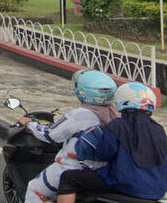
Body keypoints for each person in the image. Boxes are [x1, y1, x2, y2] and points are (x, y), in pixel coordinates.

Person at [18, 69, 119, 203]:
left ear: (83, 92)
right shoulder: (116, 113)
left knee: (34, 189)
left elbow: (51, 134)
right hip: (103, 170)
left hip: (75, 166)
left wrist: (30, 124)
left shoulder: (80, 115)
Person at [57, 82, 167, 203]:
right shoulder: (159, 130)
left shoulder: (117, 126)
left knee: (68, 178)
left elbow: (103, 155)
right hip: (157, 190)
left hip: (126, 185)